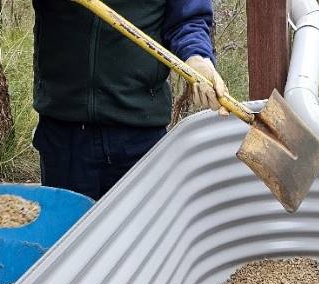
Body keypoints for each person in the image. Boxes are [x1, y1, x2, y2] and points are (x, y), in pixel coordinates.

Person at [30, 0, 227, 200]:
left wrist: (197, 56)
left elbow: (187, 18)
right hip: (65, 134)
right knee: (69, 228)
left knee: (141, 229)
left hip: (140, 132)